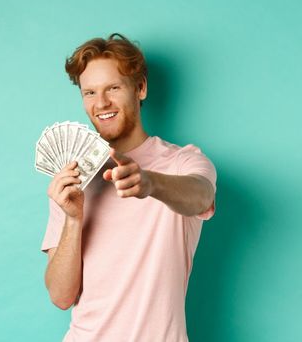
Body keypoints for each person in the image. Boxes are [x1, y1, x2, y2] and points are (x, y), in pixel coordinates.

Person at [41, 33, 217, 342]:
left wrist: (150, 183)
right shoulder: (71, 179)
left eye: (113, 88)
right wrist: (72, 218)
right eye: (90, 92)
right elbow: (61, 296)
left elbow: (201, 195)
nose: (101, 103)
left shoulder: (183, 162)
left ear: (141, 88)